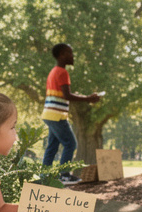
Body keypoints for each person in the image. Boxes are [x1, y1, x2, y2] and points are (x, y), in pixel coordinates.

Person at [41, 43, 102, 184]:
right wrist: (88, 99)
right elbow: (67, 95)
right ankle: (64, 175)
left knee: (52, 147)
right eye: (70, 52)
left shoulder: (53, 71)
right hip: (57, 116)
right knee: (70, 144)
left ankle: (44, 177)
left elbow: (63, 95)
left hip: (49, 114)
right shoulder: (63, 72)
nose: (72, 55)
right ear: (62, 55)